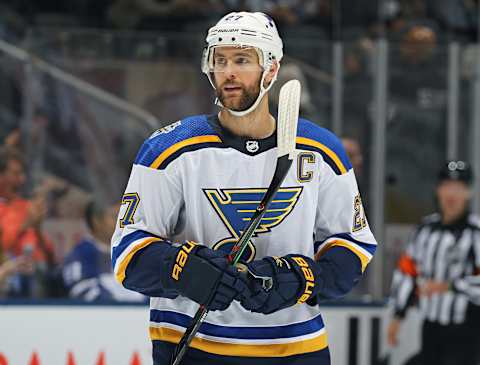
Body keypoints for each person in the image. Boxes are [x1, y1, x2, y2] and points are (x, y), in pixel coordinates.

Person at [111, 11, 377, 365]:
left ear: (271, 69)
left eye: (241, 60)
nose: (228, 72)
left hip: (295, 351)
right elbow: (128, 254)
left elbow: (352, 248)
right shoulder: (170, 150)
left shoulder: (321, 150)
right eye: (219, 61)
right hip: (194, 349)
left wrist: (301, 279)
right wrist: (182, 269)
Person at [387, 160, 480, 365]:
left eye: (459, 188)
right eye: (447, 186)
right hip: (430, 329)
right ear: (438, 190)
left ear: (469, 193)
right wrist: (397, 316)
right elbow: (407, 272)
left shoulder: (476, 234)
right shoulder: (425, 230)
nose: (451, 194)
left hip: (467, 332)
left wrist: (450, 286)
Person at [0, 147, 59, 297]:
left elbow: (50, 259)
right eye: (15, 174)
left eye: (22, 174)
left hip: (36, 278)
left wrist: (37, 228)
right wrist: (25, 225)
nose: (22, 180)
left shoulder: (26, 207)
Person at [62, 200, 145, 302]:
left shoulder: (138, 250)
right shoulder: (81, 254)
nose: (123, 223)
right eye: (116, 217)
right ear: (96, 221)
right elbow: (81, 291)